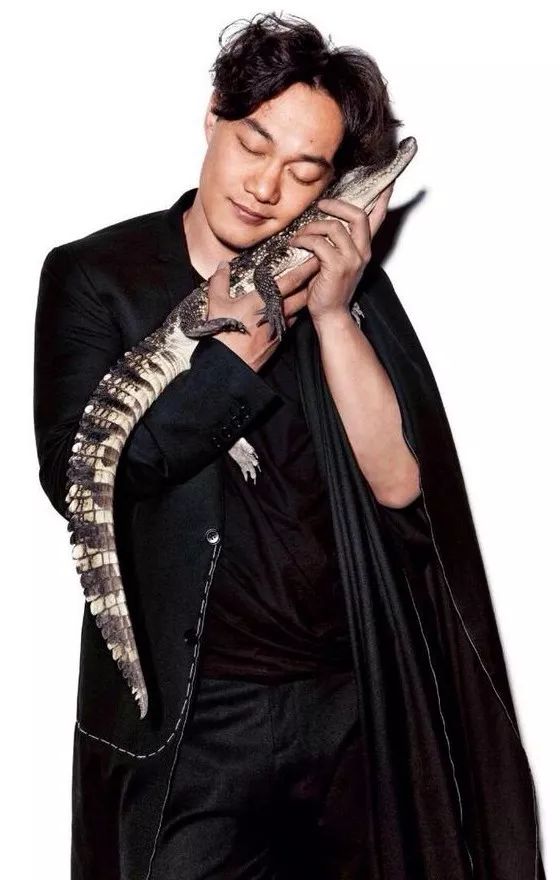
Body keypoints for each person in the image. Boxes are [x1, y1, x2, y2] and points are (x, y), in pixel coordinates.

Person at [33, 11, 547, 880]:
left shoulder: (348, 288)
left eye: (304, 169)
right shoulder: (97, 276)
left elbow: (401, 488)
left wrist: (336, 313)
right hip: (195, 721)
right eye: (252, 143)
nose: (266, 185)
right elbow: (86, 482)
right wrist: (231, 363)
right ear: (212, 119)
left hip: (350, 704)